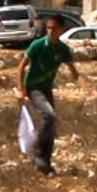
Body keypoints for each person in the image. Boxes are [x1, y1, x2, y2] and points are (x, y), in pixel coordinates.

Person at [16, 13, 88, 175]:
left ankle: (45, 163)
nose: (50, 31)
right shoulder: (37, 45)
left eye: (54, 28)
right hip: (33, 87)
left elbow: (74, 72)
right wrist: (20, 90)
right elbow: (21, 67)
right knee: (49, 115)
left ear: (61, 29)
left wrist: (85, 86)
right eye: (48, 27)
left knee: (51, 126)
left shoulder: (62, 49)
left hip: (46, 89)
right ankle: (38, 154)